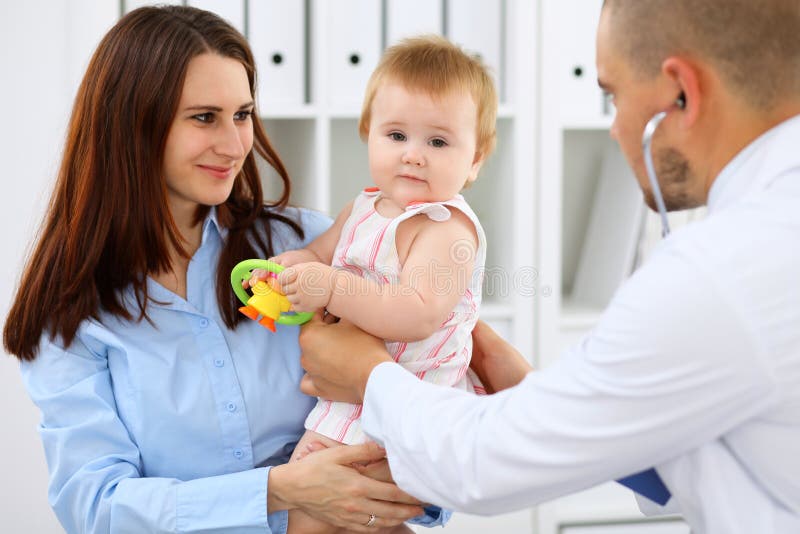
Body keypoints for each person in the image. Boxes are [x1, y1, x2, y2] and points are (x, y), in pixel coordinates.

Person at [295, 1, 800, 532]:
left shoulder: (718, 273)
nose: (613, 128)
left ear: (680, 94)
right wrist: (535, 393)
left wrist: (366, 376)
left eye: (613, 95)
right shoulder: (764, 238)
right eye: (395, 134)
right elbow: (726, 452)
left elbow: (480, 467)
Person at [2, 6, 440, 533]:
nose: (235, 146)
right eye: (204, 117)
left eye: (242, 114)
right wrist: (281, 492)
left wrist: (382, 497)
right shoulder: (71, 312)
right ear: (132, 124)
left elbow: (429, 379)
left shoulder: (311, 250)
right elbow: (96, 508)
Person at [240, 35, 495, 532]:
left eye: (438, 142)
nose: (413, 155)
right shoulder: (366, 206)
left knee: (326, 510)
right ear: (368, 133)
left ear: (476, 159)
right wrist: (292, 268)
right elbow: (321, 252)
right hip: (348, 396)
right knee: (334, 509)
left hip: (407, 404)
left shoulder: (446, 229)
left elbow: (417, 311)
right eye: (396, 135)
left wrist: (329, 287)